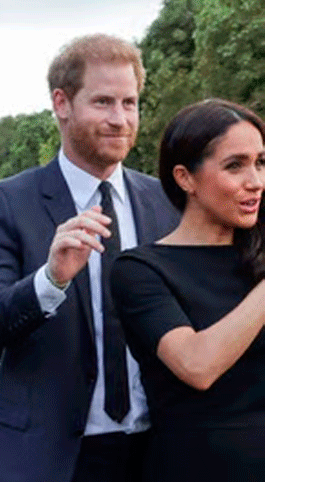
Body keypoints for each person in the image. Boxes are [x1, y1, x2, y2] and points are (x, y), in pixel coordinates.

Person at [0, 33, 179, 482]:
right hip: (48, 461)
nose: (120, 119)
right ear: (62, 103)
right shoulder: (7, 203)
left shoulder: (166, 203)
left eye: (130, 103)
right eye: (103, 102)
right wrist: (50, 280)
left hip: (155, 454)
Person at [110, 99, 264, 482]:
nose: (256, 181)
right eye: (235, 165)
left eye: (261, 162)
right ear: (185, 178)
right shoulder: (140, 270)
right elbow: (198, 366)